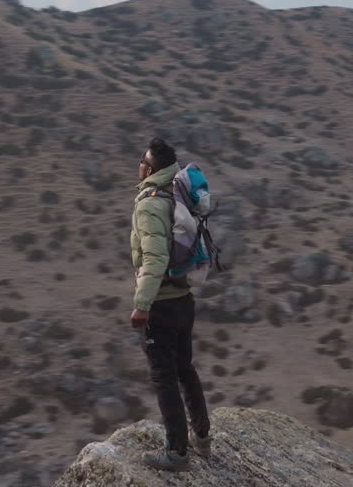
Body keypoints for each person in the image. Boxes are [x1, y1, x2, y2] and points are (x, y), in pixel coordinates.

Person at [130, 137, 211, 472]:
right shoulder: (177, 196)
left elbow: (155, 258)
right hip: (184, 300)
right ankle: (202, 438)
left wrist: (141, 304)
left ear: (150, 168)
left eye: (142, 161)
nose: (138, 166)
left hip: (161, 304)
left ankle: (177, 453)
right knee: (184, 368)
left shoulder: (150, 204)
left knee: (164, 376)